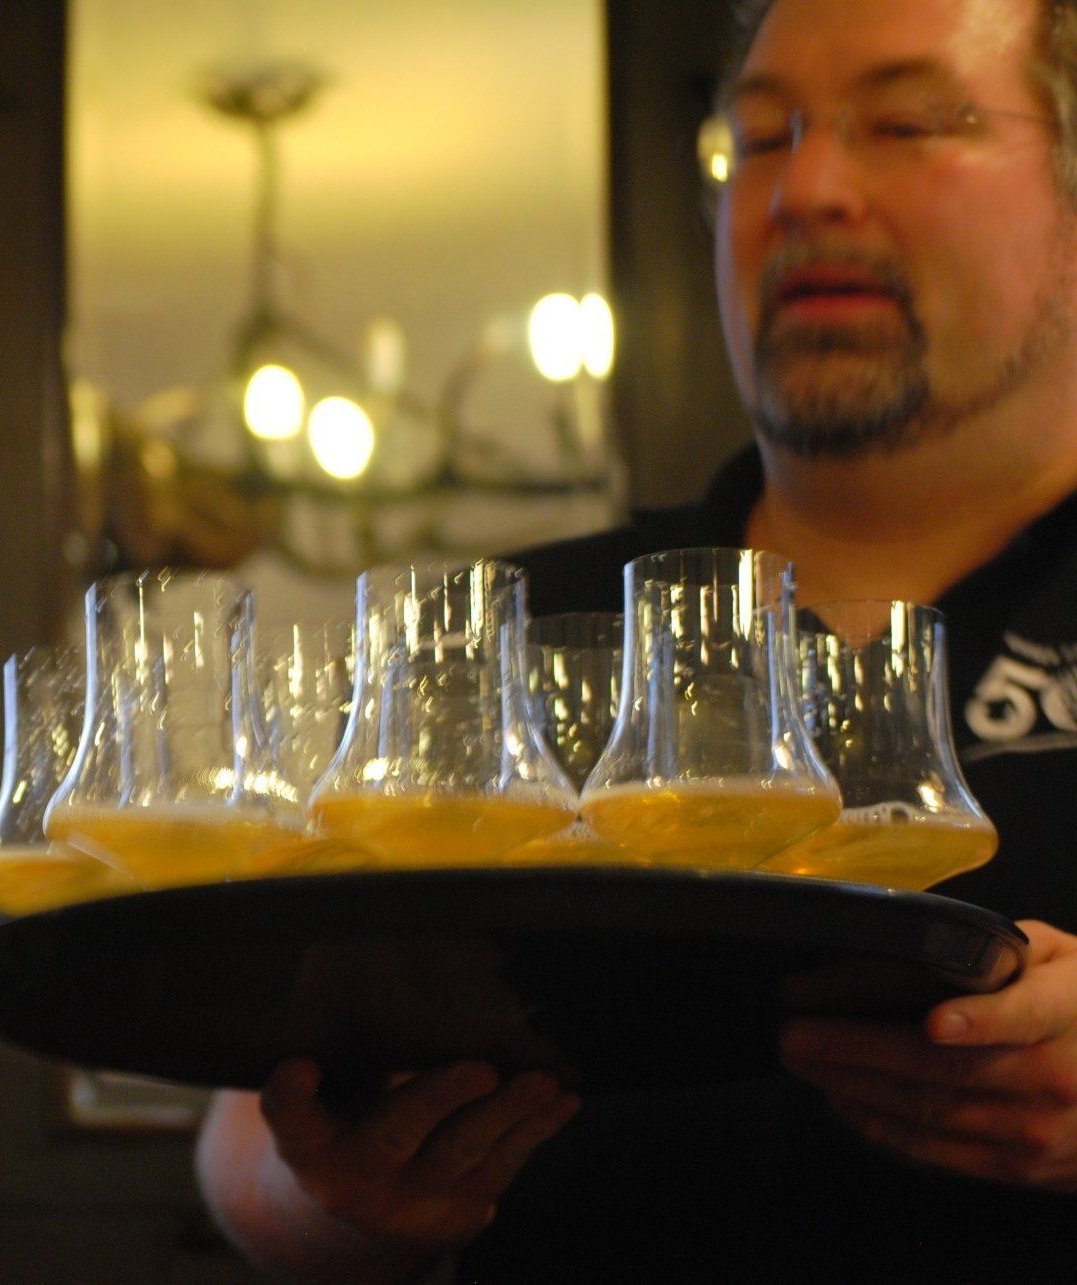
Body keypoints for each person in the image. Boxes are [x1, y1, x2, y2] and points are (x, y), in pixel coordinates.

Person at [197, 0, 1077, 1278]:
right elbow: (248, 1135)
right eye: (760, 139)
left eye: (908, 122)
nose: (807, 190)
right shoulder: (500, 633)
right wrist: (335, 1184)